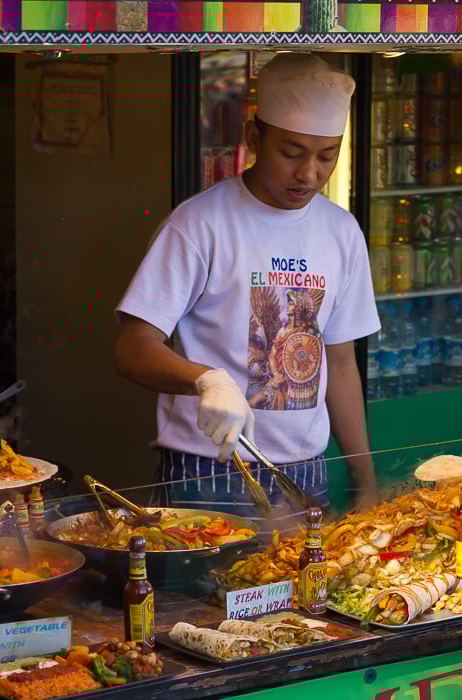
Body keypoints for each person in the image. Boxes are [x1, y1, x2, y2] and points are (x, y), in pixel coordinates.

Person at [115, 53, 381, 526]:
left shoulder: (342, 233)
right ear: (255, 138)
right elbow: (133, 347)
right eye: (292, 152)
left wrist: (365, 477)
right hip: (206, 469)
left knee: (305, 600)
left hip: (306, 472)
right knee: (198, 602)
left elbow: (340, 363)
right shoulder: (200, 224)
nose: (309, 174)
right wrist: (205, 380)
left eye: (327, 155)